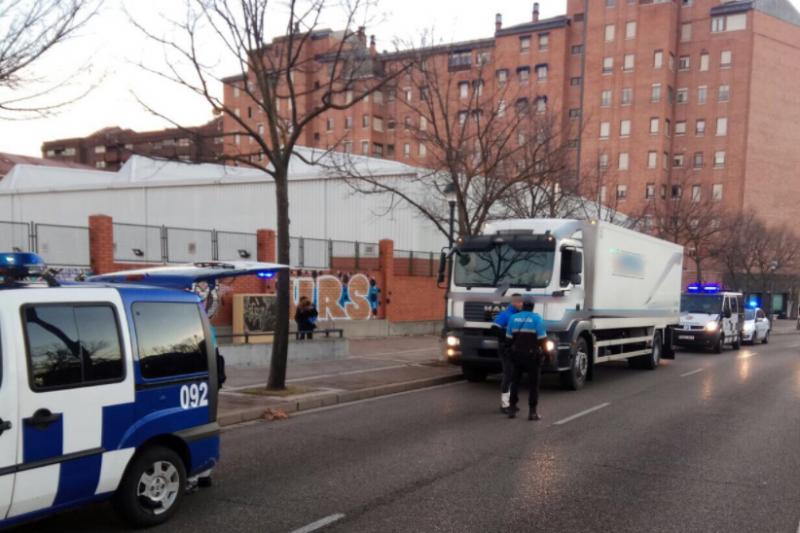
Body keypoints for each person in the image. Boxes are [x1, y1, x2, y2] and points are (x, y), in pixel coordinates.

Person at [506, 300, 548, 421]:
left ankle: (512, 409)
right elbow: (542, 340)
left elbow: (508, 339)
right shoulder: (537, 319)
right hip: (532, 357)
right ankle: (532, 412)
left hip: (517, 356)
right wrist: (546, 355)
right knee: (533, 385)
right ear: (533, 308)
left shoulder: (513, 318)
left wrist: (510, 353)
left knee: (515, 382)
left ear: (523, 307)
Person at [493, 294, 524, 414]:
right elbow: (494, 328)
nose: (522, 304)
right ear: (514, 302)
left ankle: (511, 403)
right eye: (520, 302)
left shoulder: (518, 315)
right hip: (506, 349)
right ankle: (504, 404)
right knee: (509, 374)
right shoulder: (505, 314)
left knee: (515, 375)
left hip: (516, 349)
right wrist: (507, 340)